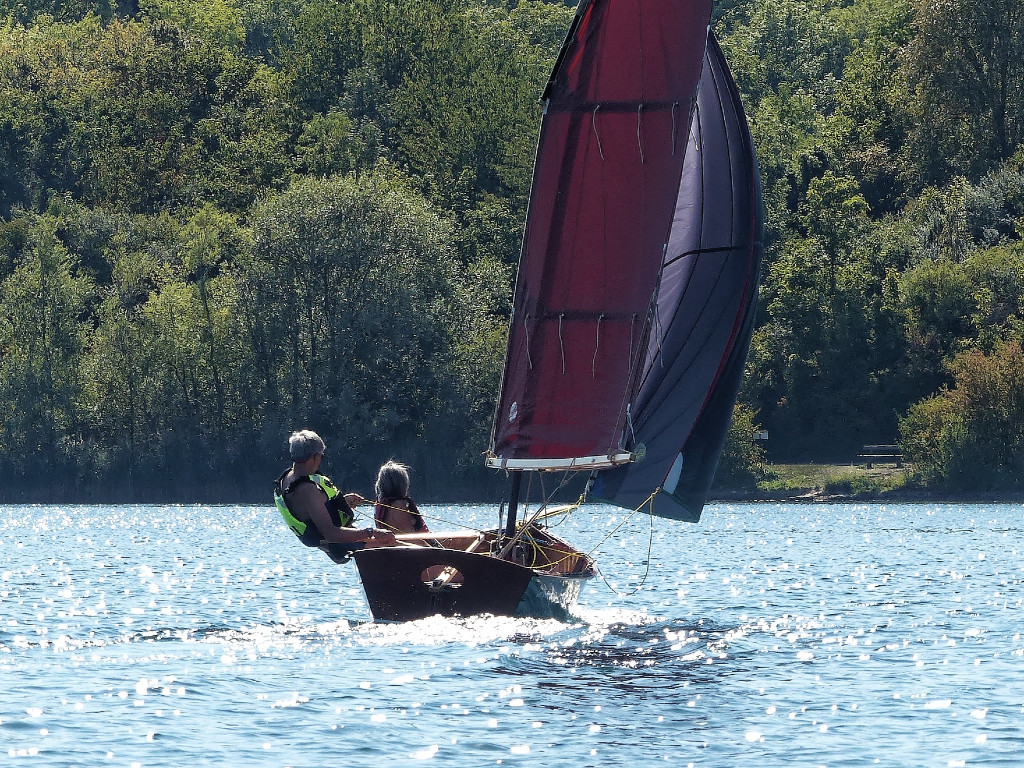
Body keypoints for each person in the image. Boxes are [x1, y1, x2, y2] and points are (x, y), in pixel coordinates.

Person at [274, 430, 396, 562]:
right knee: (394, 544)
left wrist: (344, 502)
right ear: (315, 457)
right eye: (321, 456)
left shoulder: (286, 480)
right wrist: (372, 532)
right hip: (337, 543)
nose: (320, 460)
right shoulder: (307, 490)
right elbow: (332, 534)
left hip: (332, 540)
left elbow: (310, 511)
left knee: (396, 541)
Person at [374, 460, 428, 534]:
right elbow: (411, 537)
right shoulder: (398, 505)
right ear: (402, 484)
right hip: (407, 544)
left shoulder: (380, 504)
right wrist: (434, 545)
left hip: (394, 544)